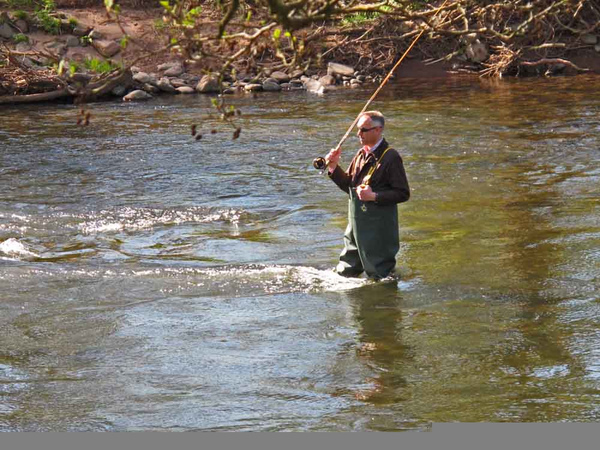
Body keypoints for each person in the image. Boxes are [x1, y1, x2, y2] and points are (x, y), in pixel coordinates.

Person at [325, 110, 410, 279]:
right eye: (358, 129)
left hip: (378, 229)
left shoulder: (391, 157)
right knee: (345, 273)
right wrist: (333, 167)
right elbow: (349, 186)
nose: (359, 134)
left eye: (364, 130)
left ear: (378, 130)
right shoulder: (360, 154)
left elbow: (403, 193)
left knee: (380, 276)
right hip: (356, 227)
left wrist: (374, 196)